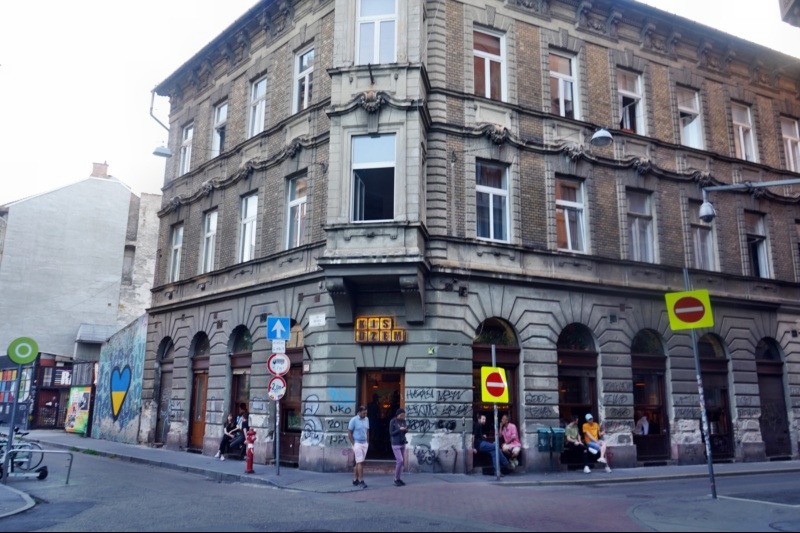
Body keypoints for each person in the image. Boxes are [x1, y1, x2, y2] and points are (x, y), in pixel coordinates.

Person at [348, 405, 370, 488]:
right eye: (364, 413)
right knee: (360, 462)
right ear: (359, 412)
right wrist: (354, 443)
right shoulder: (353, 420)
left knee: (358, 462)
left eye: (366, 413)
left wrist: (367, 442)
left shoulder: (367, 419)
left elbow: (367, 431)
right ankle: (361, 480)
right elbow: (349, 432)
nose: (365, 415)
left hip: (364, 443)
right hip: (357, 443)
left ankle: (355, 479)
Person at [389, 408, 408, 486]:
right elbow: (391, 433)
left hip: (402, 442)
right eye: (401, 415)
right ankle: (396, 479)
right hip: (395, 443)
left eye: (404, 415)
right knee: (400, 460)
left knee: (401, 462)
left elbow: (404, 431)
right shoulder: (393, 421)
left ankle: (399, 478)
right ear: (397, 415)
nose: (403, 417)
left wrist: (405, 430)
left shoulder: (403, 421)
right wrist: (399, 430)